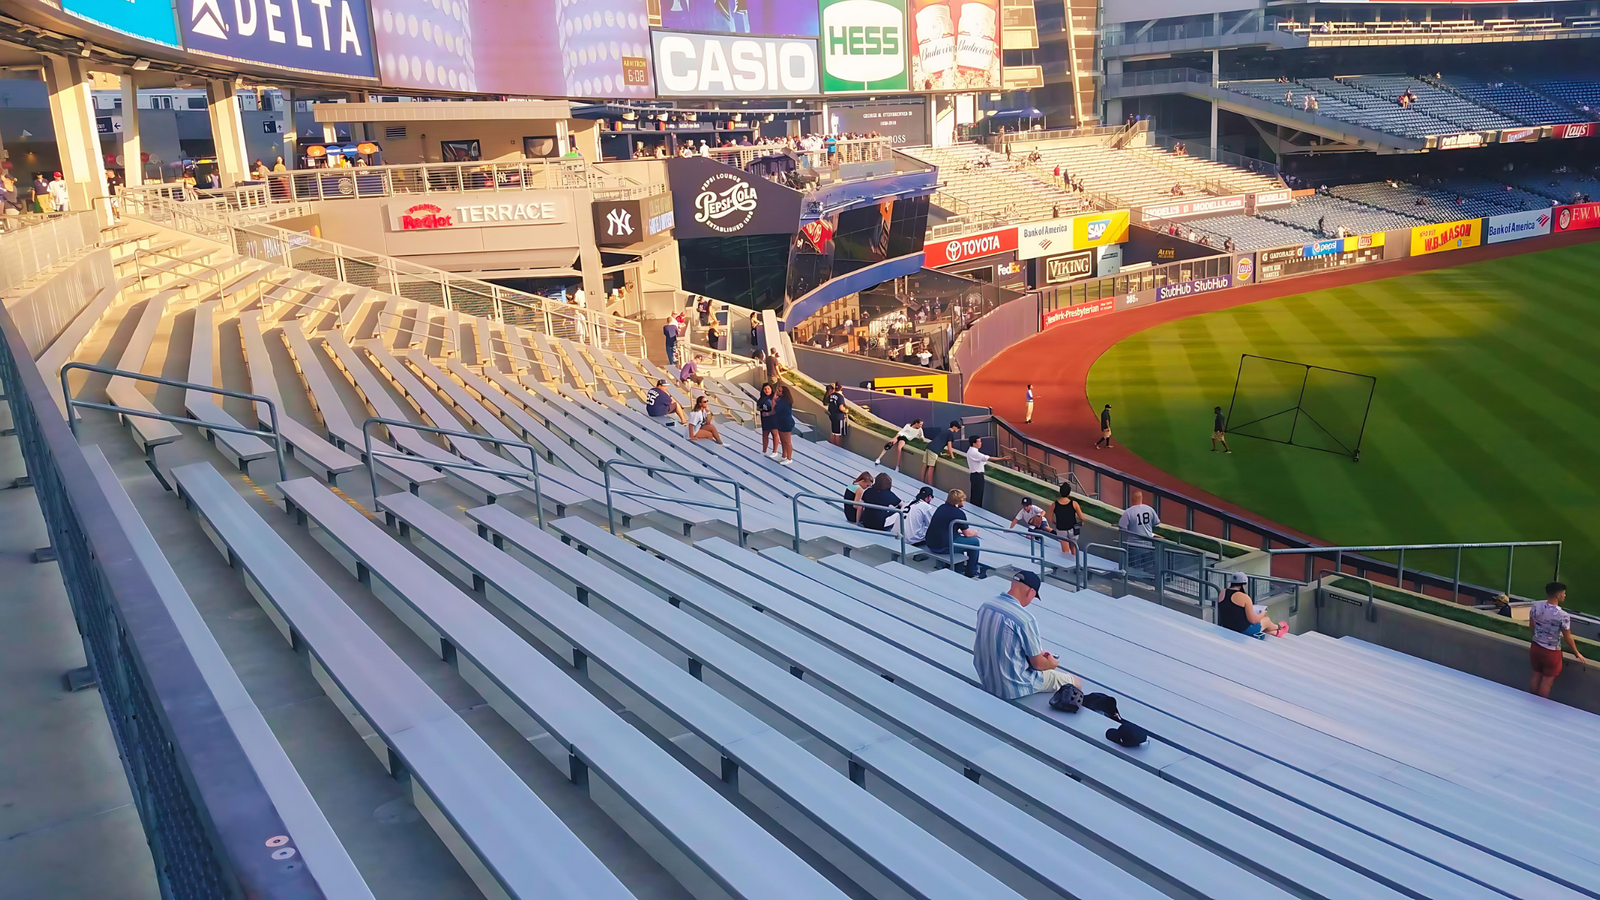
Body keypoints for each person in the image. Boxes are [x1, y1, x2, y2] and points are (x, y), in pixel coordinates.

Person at [974, 571, 1082, 700]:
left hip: (986, 679)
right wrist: (1051, 663)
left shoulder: (986, 606)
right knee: (1075, 682)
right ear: (1030, 592)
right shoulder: (1025, 619)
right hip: (1013, 687)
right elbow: (1038, 665)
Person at [1530, 582, 1587, 698]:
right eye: (1564, 593)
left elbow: (1531, 626)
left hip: (1535, 646)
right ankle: (1538, 710)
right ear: (1558, 595)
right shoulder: (1563, 615)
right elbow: (1568, 637)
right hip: (1551, 652)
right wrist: (1577, 653)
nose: (1565, 596)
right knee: (1547, 682)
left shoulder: (1536, 606)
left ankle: (1530, 704)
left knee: (1536, 675)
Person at [927, 489, 981, 577]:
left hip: (930, 542)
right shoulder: (959, 514)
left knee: (959, 539)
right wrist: (975, 533)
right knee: (974, 542)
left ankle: (959, 568)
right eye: (964, 500)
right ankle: (971, 572)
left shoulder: (941, 507)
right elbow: (967, 534)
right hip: (943, 547)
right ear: (959, 501)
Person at [1218, 573, 1288, 638]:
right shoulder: (1244, 597)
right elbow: (1253, 621)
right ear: (1244, 585)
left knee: (1265, 627)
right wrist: (1263, 613)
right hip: (1243, 630)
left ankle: (1276, 632)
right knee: (1266, 620)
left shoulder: (1222, 592)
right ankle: (1278, 627)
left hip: (1227, 627)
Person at [1118, 489, 1160, 578]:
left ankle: (1136, 584)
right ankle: (1147, 584)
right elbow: (1156, 522)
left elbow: (1122, 527)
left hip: (1134, 546)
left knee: (1134, 569)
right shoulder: (1149, 509)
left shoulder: (1128, 512)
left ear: (1131, 499)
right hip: (1148, 545)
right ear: (1142, 498)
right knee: (1148, 568)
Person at [1052, 485, 1084, 556]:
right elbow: (1082, 517)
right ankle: (1075, 564)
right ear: (1069, 493)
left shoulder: (1054, 504)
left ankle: (1067, 564)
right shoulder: (1074, 503)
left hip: (1061, 529)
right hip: (1073, 529)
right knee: (1074, 548)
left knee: (1065, 551)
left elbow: (1049, 517)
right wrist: (1082, 521)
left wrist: (1055, 522)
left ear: (1060, 492)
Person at [772, 384, 796, 465]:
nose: (777, 392)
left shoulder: (784, 402)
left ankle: (789, 458)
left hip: (786, 422)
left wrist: (773, 399)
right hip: (780, 421)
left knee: (787, 441)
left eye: (779, 391)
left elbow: (774, 409)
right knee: (782, 440)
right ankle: (784, 455)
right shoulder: (780, 400)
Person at [965, 436, 992, 507]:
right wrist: (1002, 458)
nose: (980, 443)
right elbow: (986, 458)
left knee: (977, 495)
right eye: (979, 441)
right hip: (977, 476)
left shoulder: (973, 451)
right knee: (977, 496)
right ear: (974, 443)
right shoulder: (973, 452)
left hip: (977, 476)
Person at [757, 382, 778, 457]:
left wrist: (769, 413)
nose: (767, 390)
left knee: (774, 434)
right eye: (765, 389)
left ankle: (775, 451)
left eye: (768, 389)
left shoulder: (774, 398)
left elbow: (776, 409)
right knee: (765, 434)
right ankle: (764, 450)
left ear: (771, 389)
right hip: (765, 419)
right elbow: (758, 407)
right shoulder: (761, 398)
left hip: (773, 419)